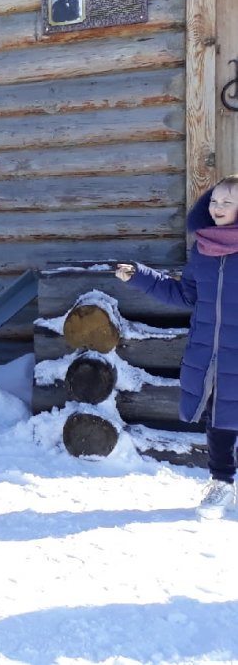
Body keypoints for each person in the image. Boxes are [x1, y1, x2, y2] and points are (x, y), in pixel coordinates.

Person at [116, 175, 238, 518]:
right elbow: (185, 295)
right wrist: (140, 276)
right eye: (214, 200)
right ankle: (222, 484)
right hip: (210, 355)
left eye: (228, 202)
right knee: (219, 420)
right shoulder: (203, 249)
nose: (218, 207)